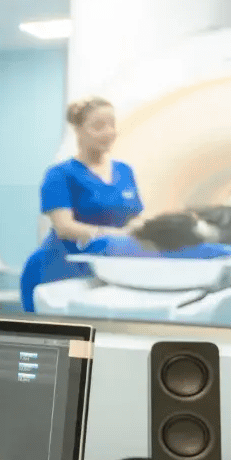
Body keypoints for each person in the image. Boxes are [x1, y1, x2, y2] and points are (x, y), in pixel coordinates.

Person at [19, 96, 145, 311]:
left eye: (112, 125)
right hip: (60, 267)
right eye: (98, 126)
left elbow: (135, 216)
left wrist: (141, 230)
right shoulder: (60, 174)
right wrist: (113, 234)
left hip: (111, 267)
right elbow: (64, 227)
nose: (108, 132)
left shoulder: (124, 171)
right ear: (78, 130)